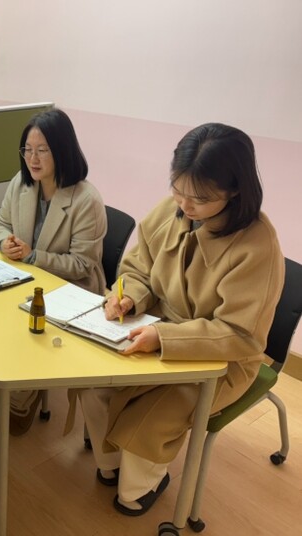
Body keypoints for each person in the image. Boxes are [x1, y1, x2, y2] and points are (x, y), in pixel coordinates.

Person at [78, 123, 285, 516]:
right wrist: (129, 298)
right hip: (152, 328)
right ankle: (111, 466)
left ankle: (139, 489)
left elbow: (239, 334)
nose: (185, 206)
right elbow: (136, 268)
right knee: (96, 384)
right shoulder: (169, 211)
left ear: (234, 190)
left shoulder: (257, 244)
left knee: (151, 416)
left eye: (200, 199)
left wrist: (163, 337)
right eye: (178, 189)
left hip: (221, 359)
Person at [0, 107, 107, 435]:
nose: (33, 159)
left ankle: (23, 393)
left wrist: (33, 256)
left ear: (62, 151)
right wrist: (4, 243)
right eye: (27, 150)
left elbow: (82, 265)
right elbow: (0, 223)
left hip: (71, 289)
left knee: (24, 330)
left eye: (42, 150)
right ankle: (16, 381)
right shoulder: (21, 183)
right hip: (26, 279)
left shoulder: (86, 199)